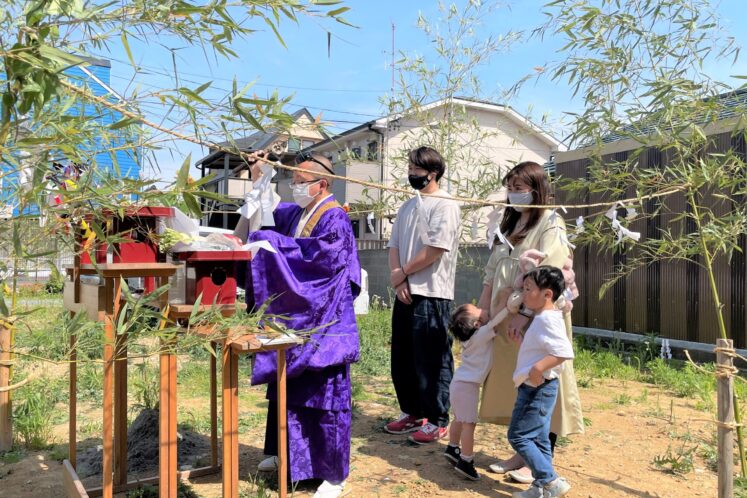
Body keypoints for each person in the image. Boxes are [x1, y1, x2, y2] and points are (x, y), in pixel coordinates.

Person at [234, 150, 360, 498]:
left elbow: (319, 261)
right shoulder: (299, 214)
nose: (295, 188)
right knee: (287, 389)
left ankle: (333, 475)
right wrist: (261, 175)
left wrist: (271, 244)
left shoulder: (335, 219)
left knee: (324, 398)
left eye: (301, 182)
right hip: (299, 316)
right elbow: (267, 214)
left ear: (323, 184)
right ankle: (287, 456)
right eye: (294, 181)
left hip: (325, 322)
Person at [478, 161, 583, 482]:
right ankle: (523, 452)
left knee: (542, 385)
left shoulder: (551, 223)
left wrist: (524, 314)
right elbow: (492, 270)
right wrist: (485, 312)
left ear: (537, 190)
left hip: (536, 318)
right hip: (507, 318)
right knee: (520, 385)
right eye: (510, 187)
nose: (513, 193)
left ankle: (541, 456)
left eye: (520, 188)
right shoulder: (509, 223)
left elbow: (548, 271)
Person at [384, 146, 461, 444]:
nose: (412, 174)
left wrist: (403, 272)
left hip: (433, 293)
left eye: (417, 170)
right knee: (402, 356)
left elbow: (435, 250)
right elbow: (394, 246)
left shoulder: (446, 205)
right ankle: (412, 412)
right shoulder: (407, 206)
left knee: (432, 358)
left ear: (434, 172)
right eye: (410, 169)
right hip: (404, 290)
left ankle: (438, 418)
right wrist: (397, 278)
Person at [508, 266, 574, 498]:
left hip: (537, 388)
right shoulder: (543, 317)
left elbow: (563, 351)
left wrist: (538, 368)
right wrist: (523, 345)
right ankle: (541, 487)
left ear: (547, 294)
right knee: (539, 438)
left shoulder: (547, 319)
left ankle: (549, 480)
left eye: (528, 289)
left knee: (518, 435)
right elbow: (544, 349)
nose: (524, 294)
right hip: (537, 386)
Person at [444, 303, 502, 481]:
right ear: (477, 324)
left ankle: (453, 448)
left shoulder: (468, 339)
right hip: (467, 387)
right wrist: (510, 306)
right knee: (469, 424)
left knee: (459, 419)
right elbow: (498, 321)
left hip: (459, 384)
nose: (481, 308)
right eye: (478, 310)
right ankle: (466, 461)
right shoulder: (481, 334)